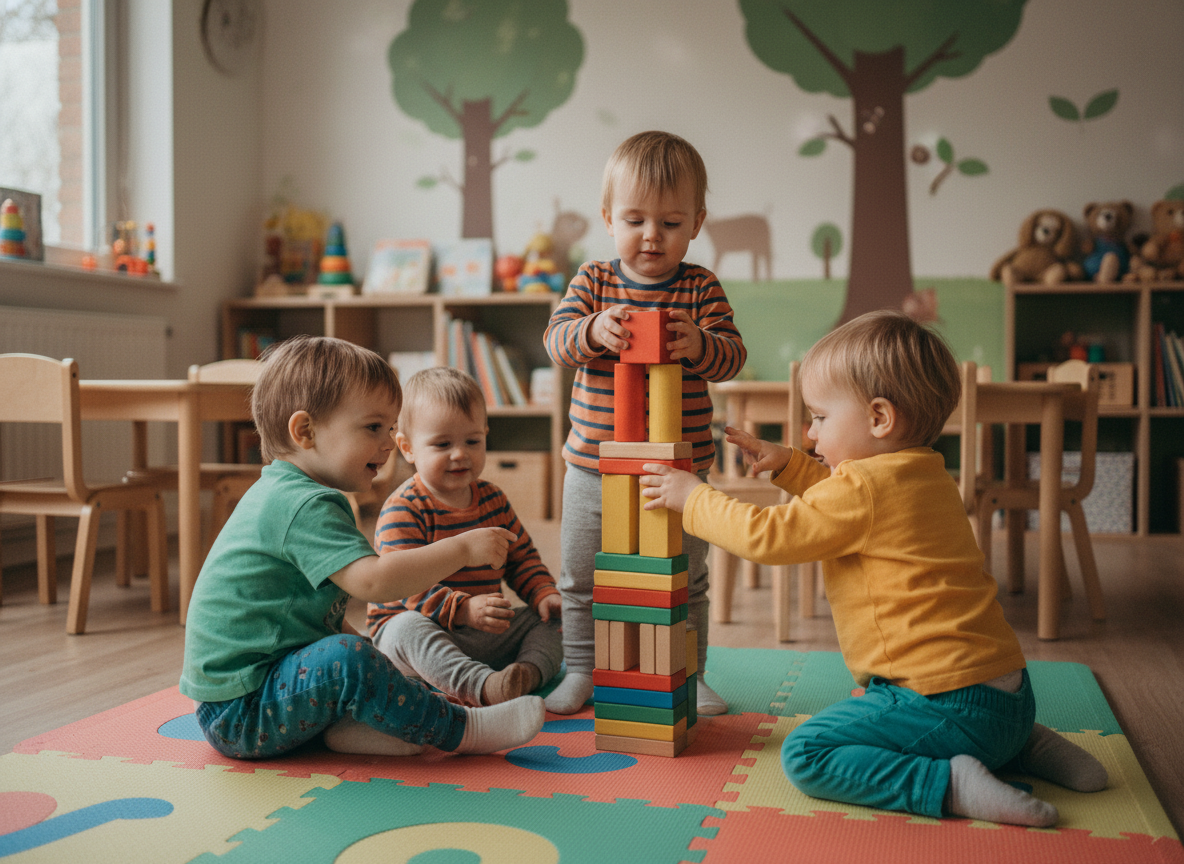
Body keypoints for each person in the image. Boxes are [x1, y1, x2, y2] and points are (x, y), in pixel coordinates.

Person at [638, 310, 1107, 827]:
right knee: (956, 716)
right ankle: (1024, 745)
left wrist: (694, 497)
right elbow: (850, 503)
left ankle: (949, 783)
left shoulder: (860, 489)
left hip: (942, 702)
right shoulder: (928, 474)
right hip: (1012, 698)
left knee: (807, 753)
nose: (810, 433)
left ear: (880, 418)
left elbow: (767, 537)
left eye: (820, 417)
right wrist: (790, 464)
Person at [180, 336, 544, 760]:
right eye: (373, 427)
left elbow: (319, 620)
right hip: (241, 713)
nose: (389, 443)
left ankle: (359, 729)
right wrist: (462, 549)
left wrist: (380, 670)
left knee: (364, 655)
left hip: (261, 693)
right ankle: (463, 730)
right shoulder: (301, 504)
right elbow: (375, 582)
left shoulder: (290, 492)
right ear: (305, 432)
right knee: (350, 658)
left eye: (390, 428)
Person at [542, 130, 747, 715]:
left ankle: (688, 672)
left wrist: (699, 343)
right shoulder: (593, 280)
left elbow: (732, 358)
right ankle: (582, 669)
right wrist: (592, 329)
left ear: (697, 224)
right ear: (609, 218)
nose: (652, 235)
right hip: (593, 466)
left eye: (670, 222)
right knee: (582, 577)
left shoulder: (700, 287)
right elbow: (556, 343)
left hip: (677, 471)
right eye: (635, 220)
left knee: (684, 577)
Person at [368, 367, 563, 707]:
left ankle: (524, 676)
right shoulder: (404, 508)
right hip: (421, 634)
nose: (460, 454)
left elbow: (521, 558)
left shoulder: (493, 499)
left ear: (486, 435)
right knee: (404, 627)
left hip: (482, 632)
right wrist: (463, 609)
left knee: (552, 619)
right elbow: (405, 584)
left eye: (472, 441)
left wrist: (543, 592)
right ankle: (483, 687)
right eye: (442, 444)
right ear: (408, 448)